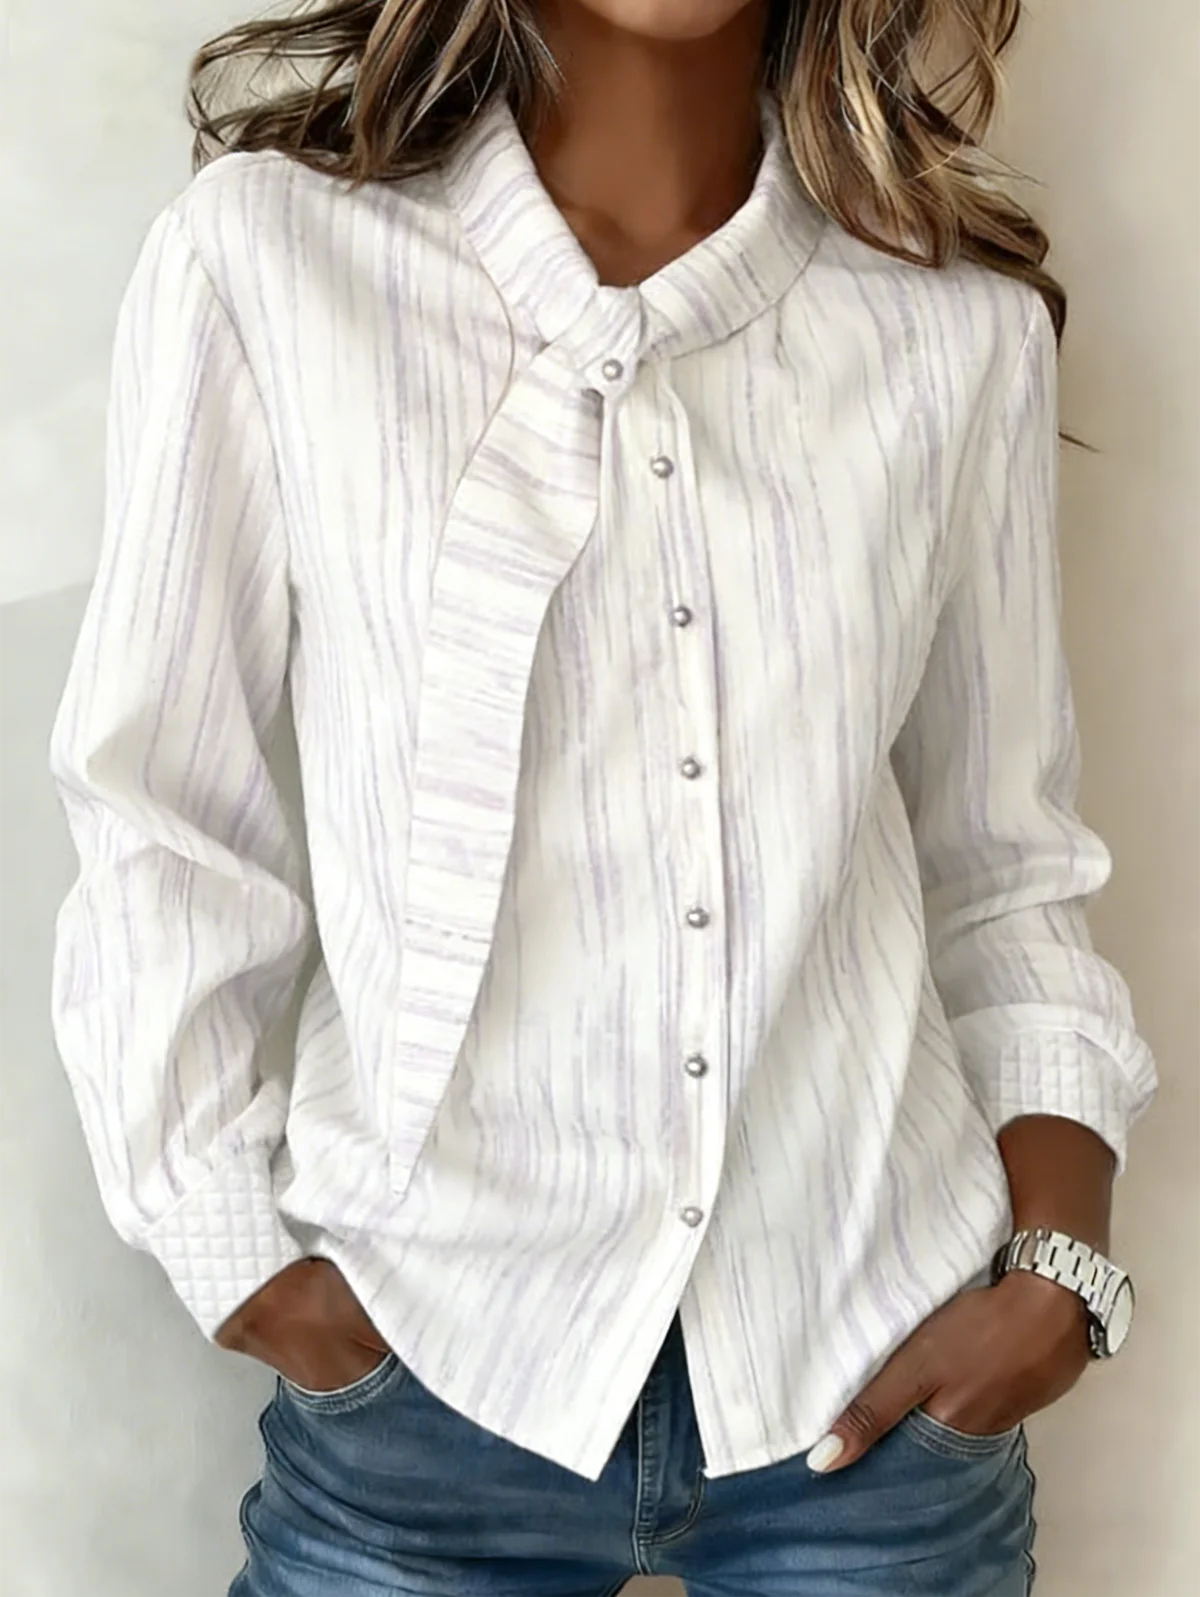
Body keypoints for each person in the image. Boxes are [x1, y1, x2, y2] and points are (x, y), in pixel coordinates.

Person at [48, 1, 1157, 1592]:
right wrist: (235, 1253)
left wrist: (1057, 1274)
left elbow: (1005, 866)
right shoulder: (269, 264)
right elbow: (162, 810)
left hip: (875, 1369)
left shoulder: (950, 330)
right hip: (426, 1372)